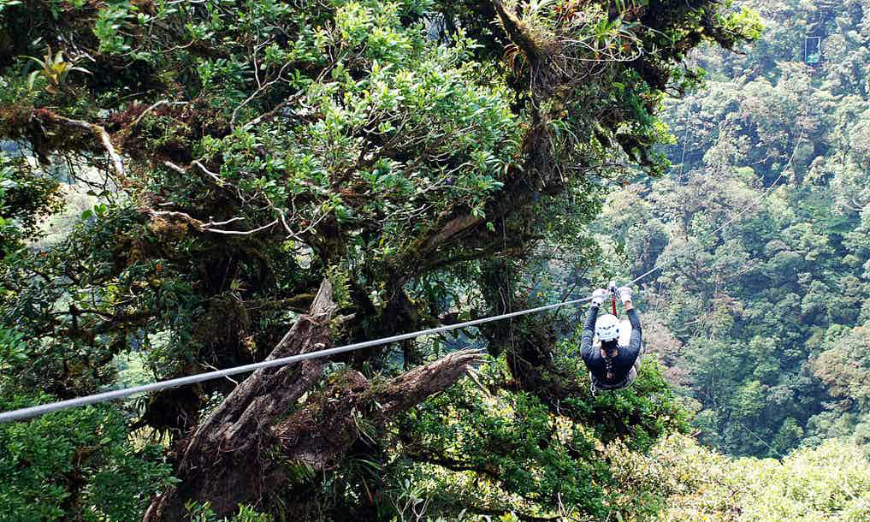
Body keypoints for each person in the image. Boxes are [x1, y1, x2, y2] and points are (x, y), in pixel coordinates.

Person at [580, 286, 643, 393]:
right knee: (628, 327)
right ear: (618, 335)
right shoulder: (629, 352)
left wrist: (596, 302)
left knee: (593, 344)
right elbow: (636, 327)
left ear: (599, 337)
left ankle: (596, 389)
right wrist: (626, 299)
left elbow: (588, 328)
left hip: (599, 383)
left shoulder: (587, 352)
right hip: (624, 381)